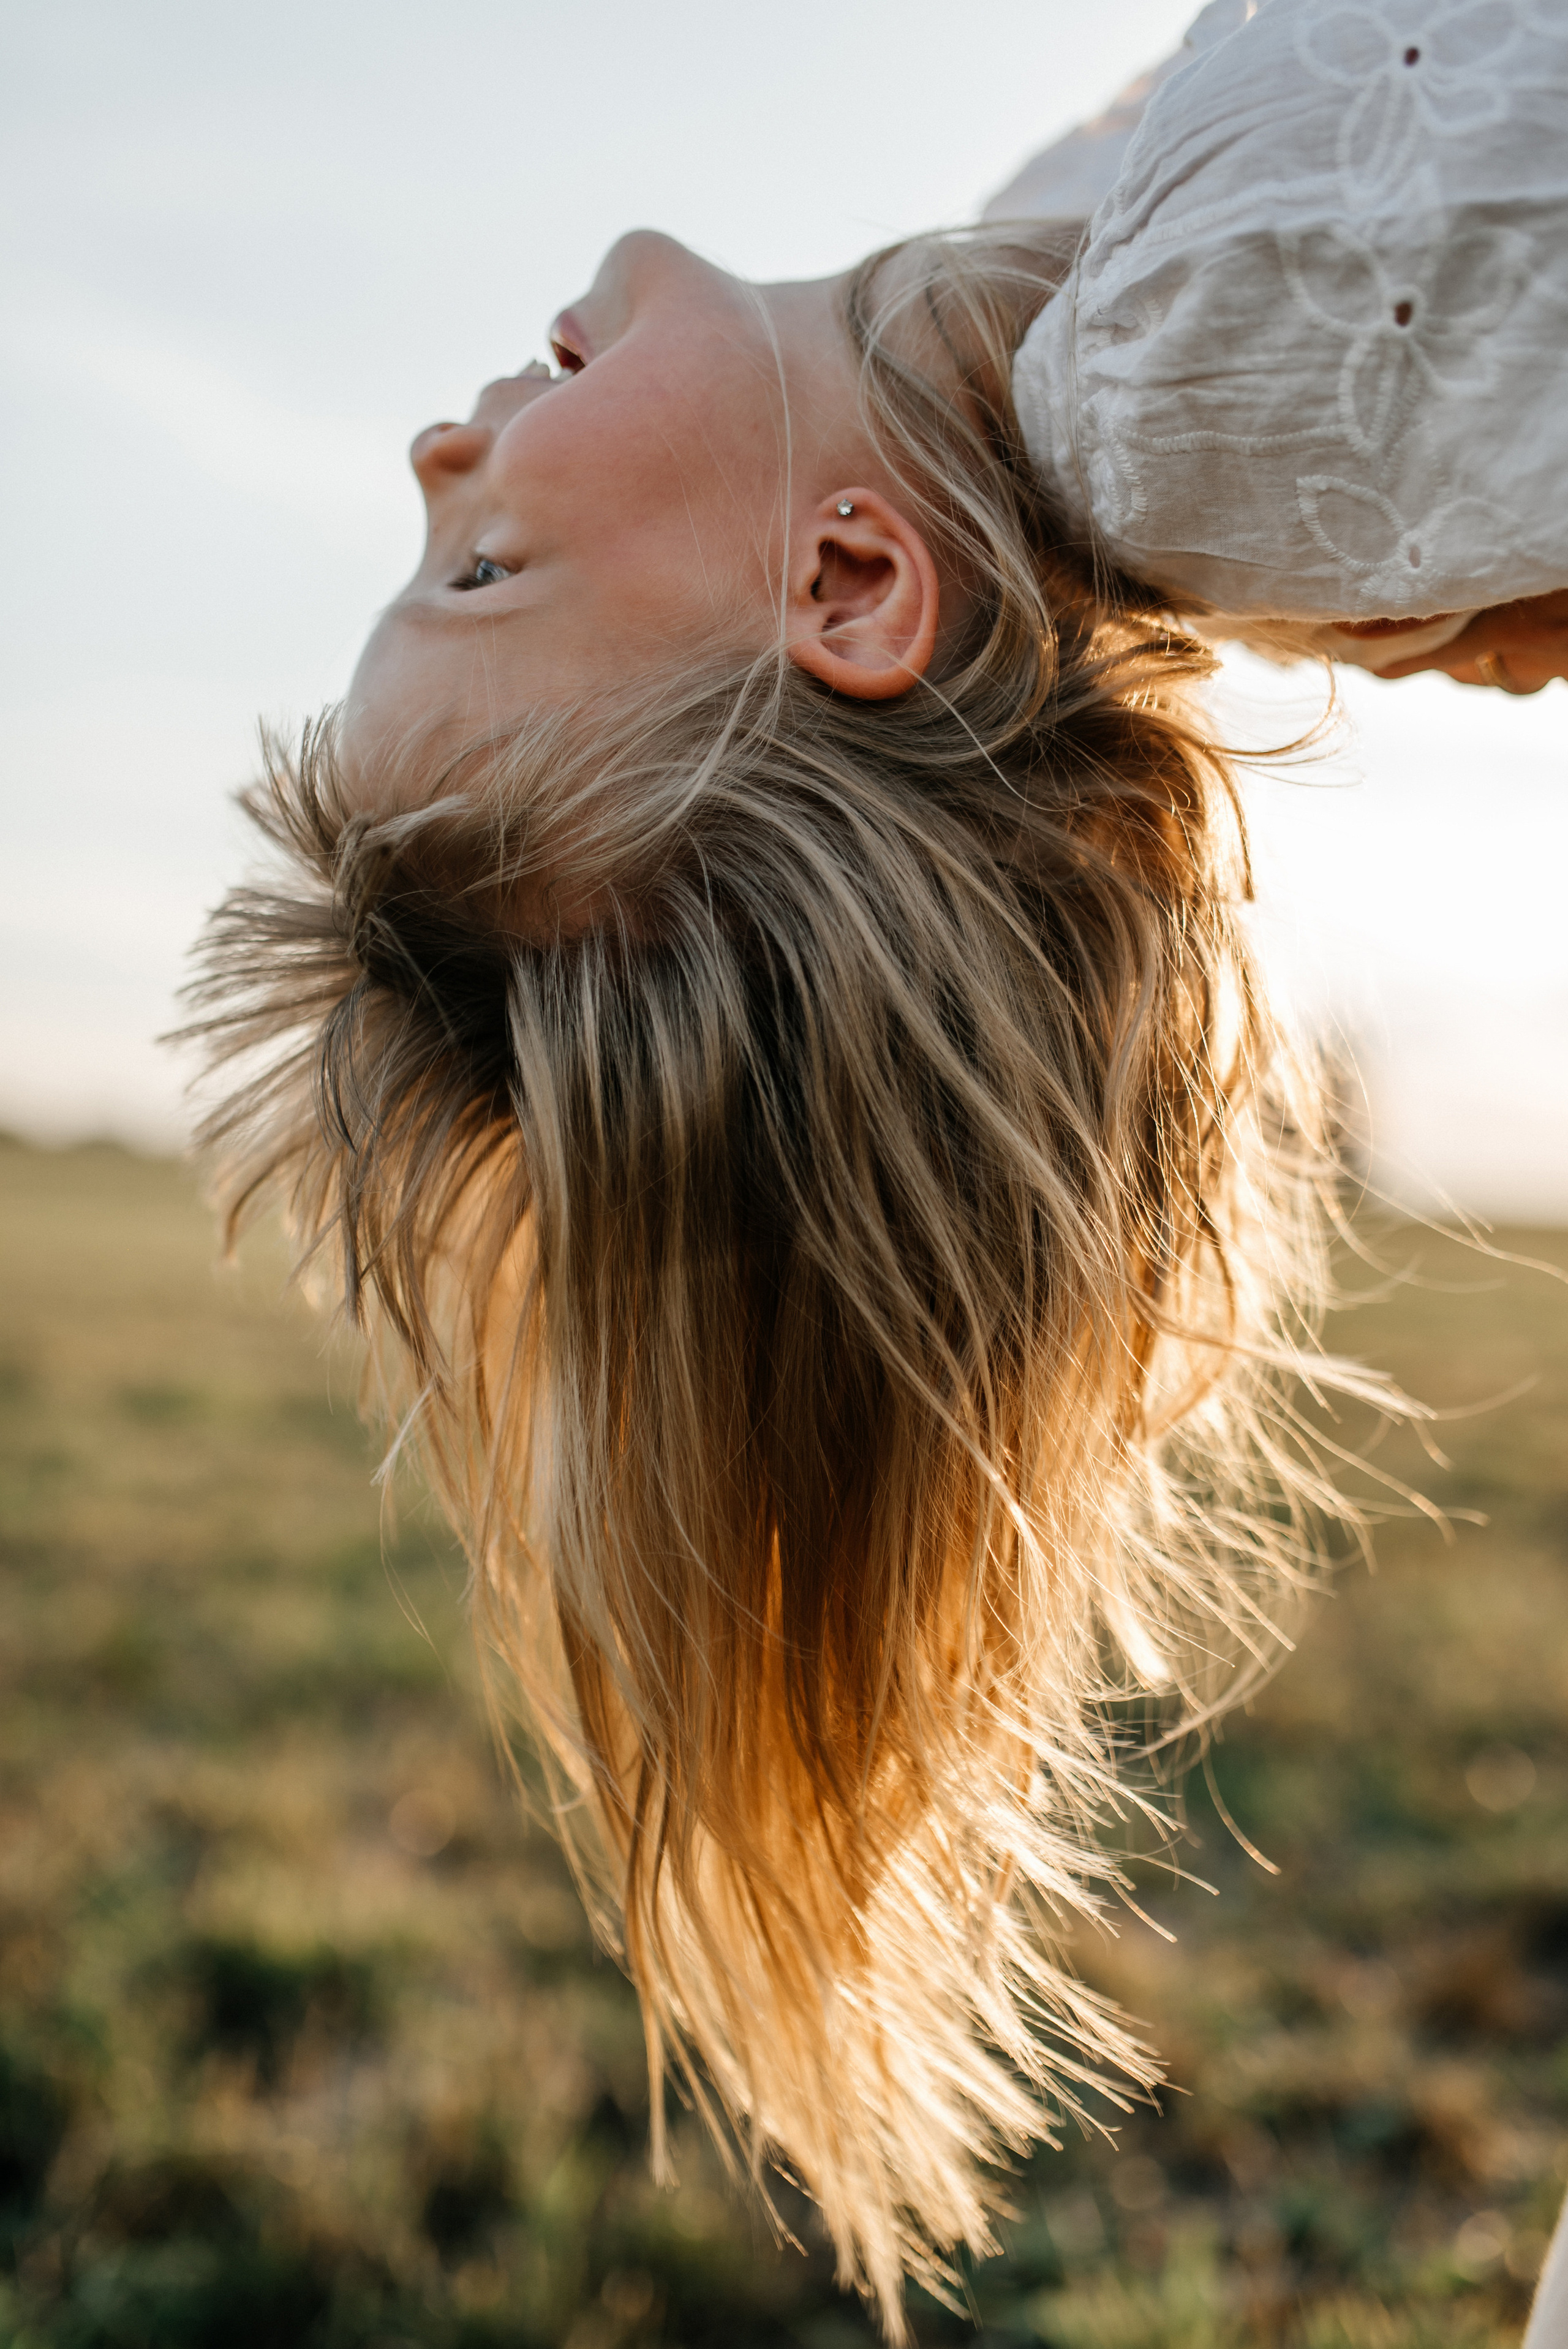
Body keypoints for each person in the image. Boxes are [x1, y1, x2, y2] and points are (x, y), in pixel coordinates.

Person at [184, 2, 1566, 2333]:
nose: (436, 450)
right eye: (489, 570)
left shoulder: (1088, 321)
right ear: (845, 590)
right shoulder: (1212, 337)